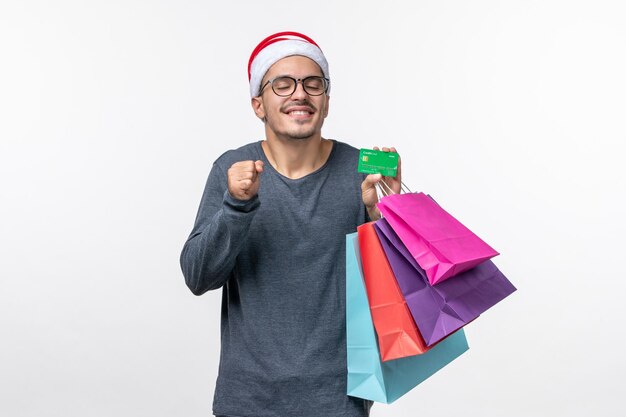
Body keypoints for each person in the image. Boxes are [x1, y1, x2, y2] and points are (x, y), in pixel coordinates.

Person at [180, 31, 401, 417]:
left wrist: (386, 212)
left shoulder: (362, 171)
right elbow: (198, 278)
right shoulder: (231, 170)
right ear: (258, 104)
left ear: (326, 102)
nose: (299, 94)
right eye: (282, 84)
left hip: (338, 400)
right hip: (247, 400)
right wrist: (237, 206)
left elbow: (400, 290)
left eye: (312, 84)